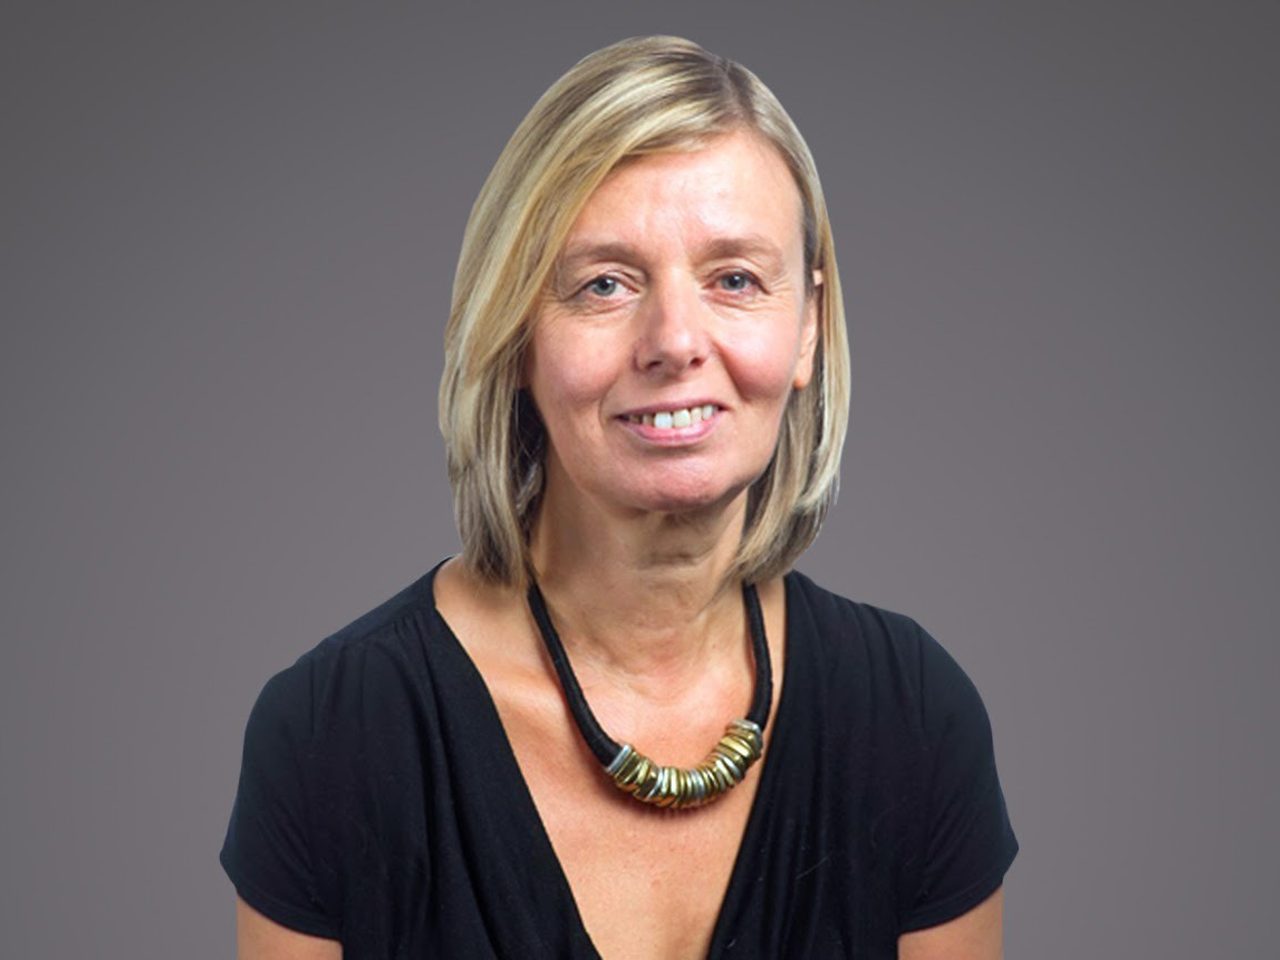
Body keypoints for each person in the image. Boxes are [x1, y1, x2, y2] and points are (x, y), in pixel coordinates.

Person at [220, 35, 1018, 959]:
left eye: (735, 279)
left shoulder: (913, 718)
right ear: (516, 333)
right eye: (605, 283)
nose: (674, 340)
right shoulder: (336, 737)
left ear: (807, 330)